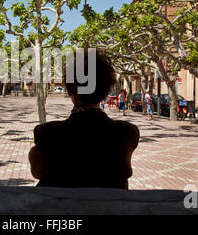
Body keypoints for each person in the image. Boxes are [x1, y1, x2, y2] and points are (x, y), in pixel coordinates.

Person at [28, 50, 140, 189]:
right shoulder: (127, 133)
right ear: (106, 92)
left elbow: (38, 172)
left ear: (69, 90)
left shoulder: (46, 133)